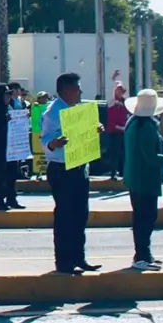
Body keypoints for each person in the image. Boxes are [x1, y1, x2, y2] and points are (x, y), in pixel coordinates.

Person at [41, 72, 105, 275]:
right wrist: (55, 142)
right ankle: (64, 262)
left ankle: (79, 257)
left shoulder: (78, 110)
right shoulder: (53, 112)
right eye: (77, 88)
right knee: (65, 216)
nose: (80, 92)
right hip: (61, 168)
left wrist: (95, 130)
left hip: (79, 167)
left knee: (80, 215)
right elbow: (45, 142)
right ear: (66, 91)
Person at [123, 89, 163, 271]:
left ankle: (144, 254)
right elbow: (151, 158)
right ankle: (142, 256)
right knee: (146, 218)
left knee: (141, 217)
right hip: (145, 179)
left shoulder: (133, 123)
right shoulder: (147, 128)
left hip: (135, 178)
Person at [0, 84, 23, 211]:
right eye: (6, 94)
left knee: (12, 174)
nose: (9, 97)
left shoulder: (9, 107)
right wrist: (4, 120)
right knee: (1, 176)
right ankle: (0, 201)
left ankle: (12, 199)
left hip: (11, 148)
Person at [105, 82, 129, 181]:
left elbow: (127, 115)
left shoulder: (124, 102)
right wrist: (114, 79)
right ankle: (113, 173)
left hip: (123, 131)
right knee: (114, 153)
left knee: (123, 152)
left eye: (122, 90)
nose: (120, 92)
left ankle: (123, 172)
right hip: (114, 131)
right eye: (119, 90)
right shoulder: (111, 101)